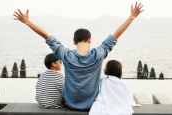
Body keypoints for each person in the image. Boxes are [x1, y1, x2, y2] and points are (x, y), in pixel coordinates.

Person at [13, 2, 144, 110]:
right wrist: (132, 17)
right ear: (90, 40)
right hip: (91, 104)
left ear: (74, 41)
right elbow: (116, 35)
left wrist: (27, 22)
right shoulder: (98, 54)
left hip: (70, 104)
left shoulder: (66, 55)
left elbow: (47, 36)